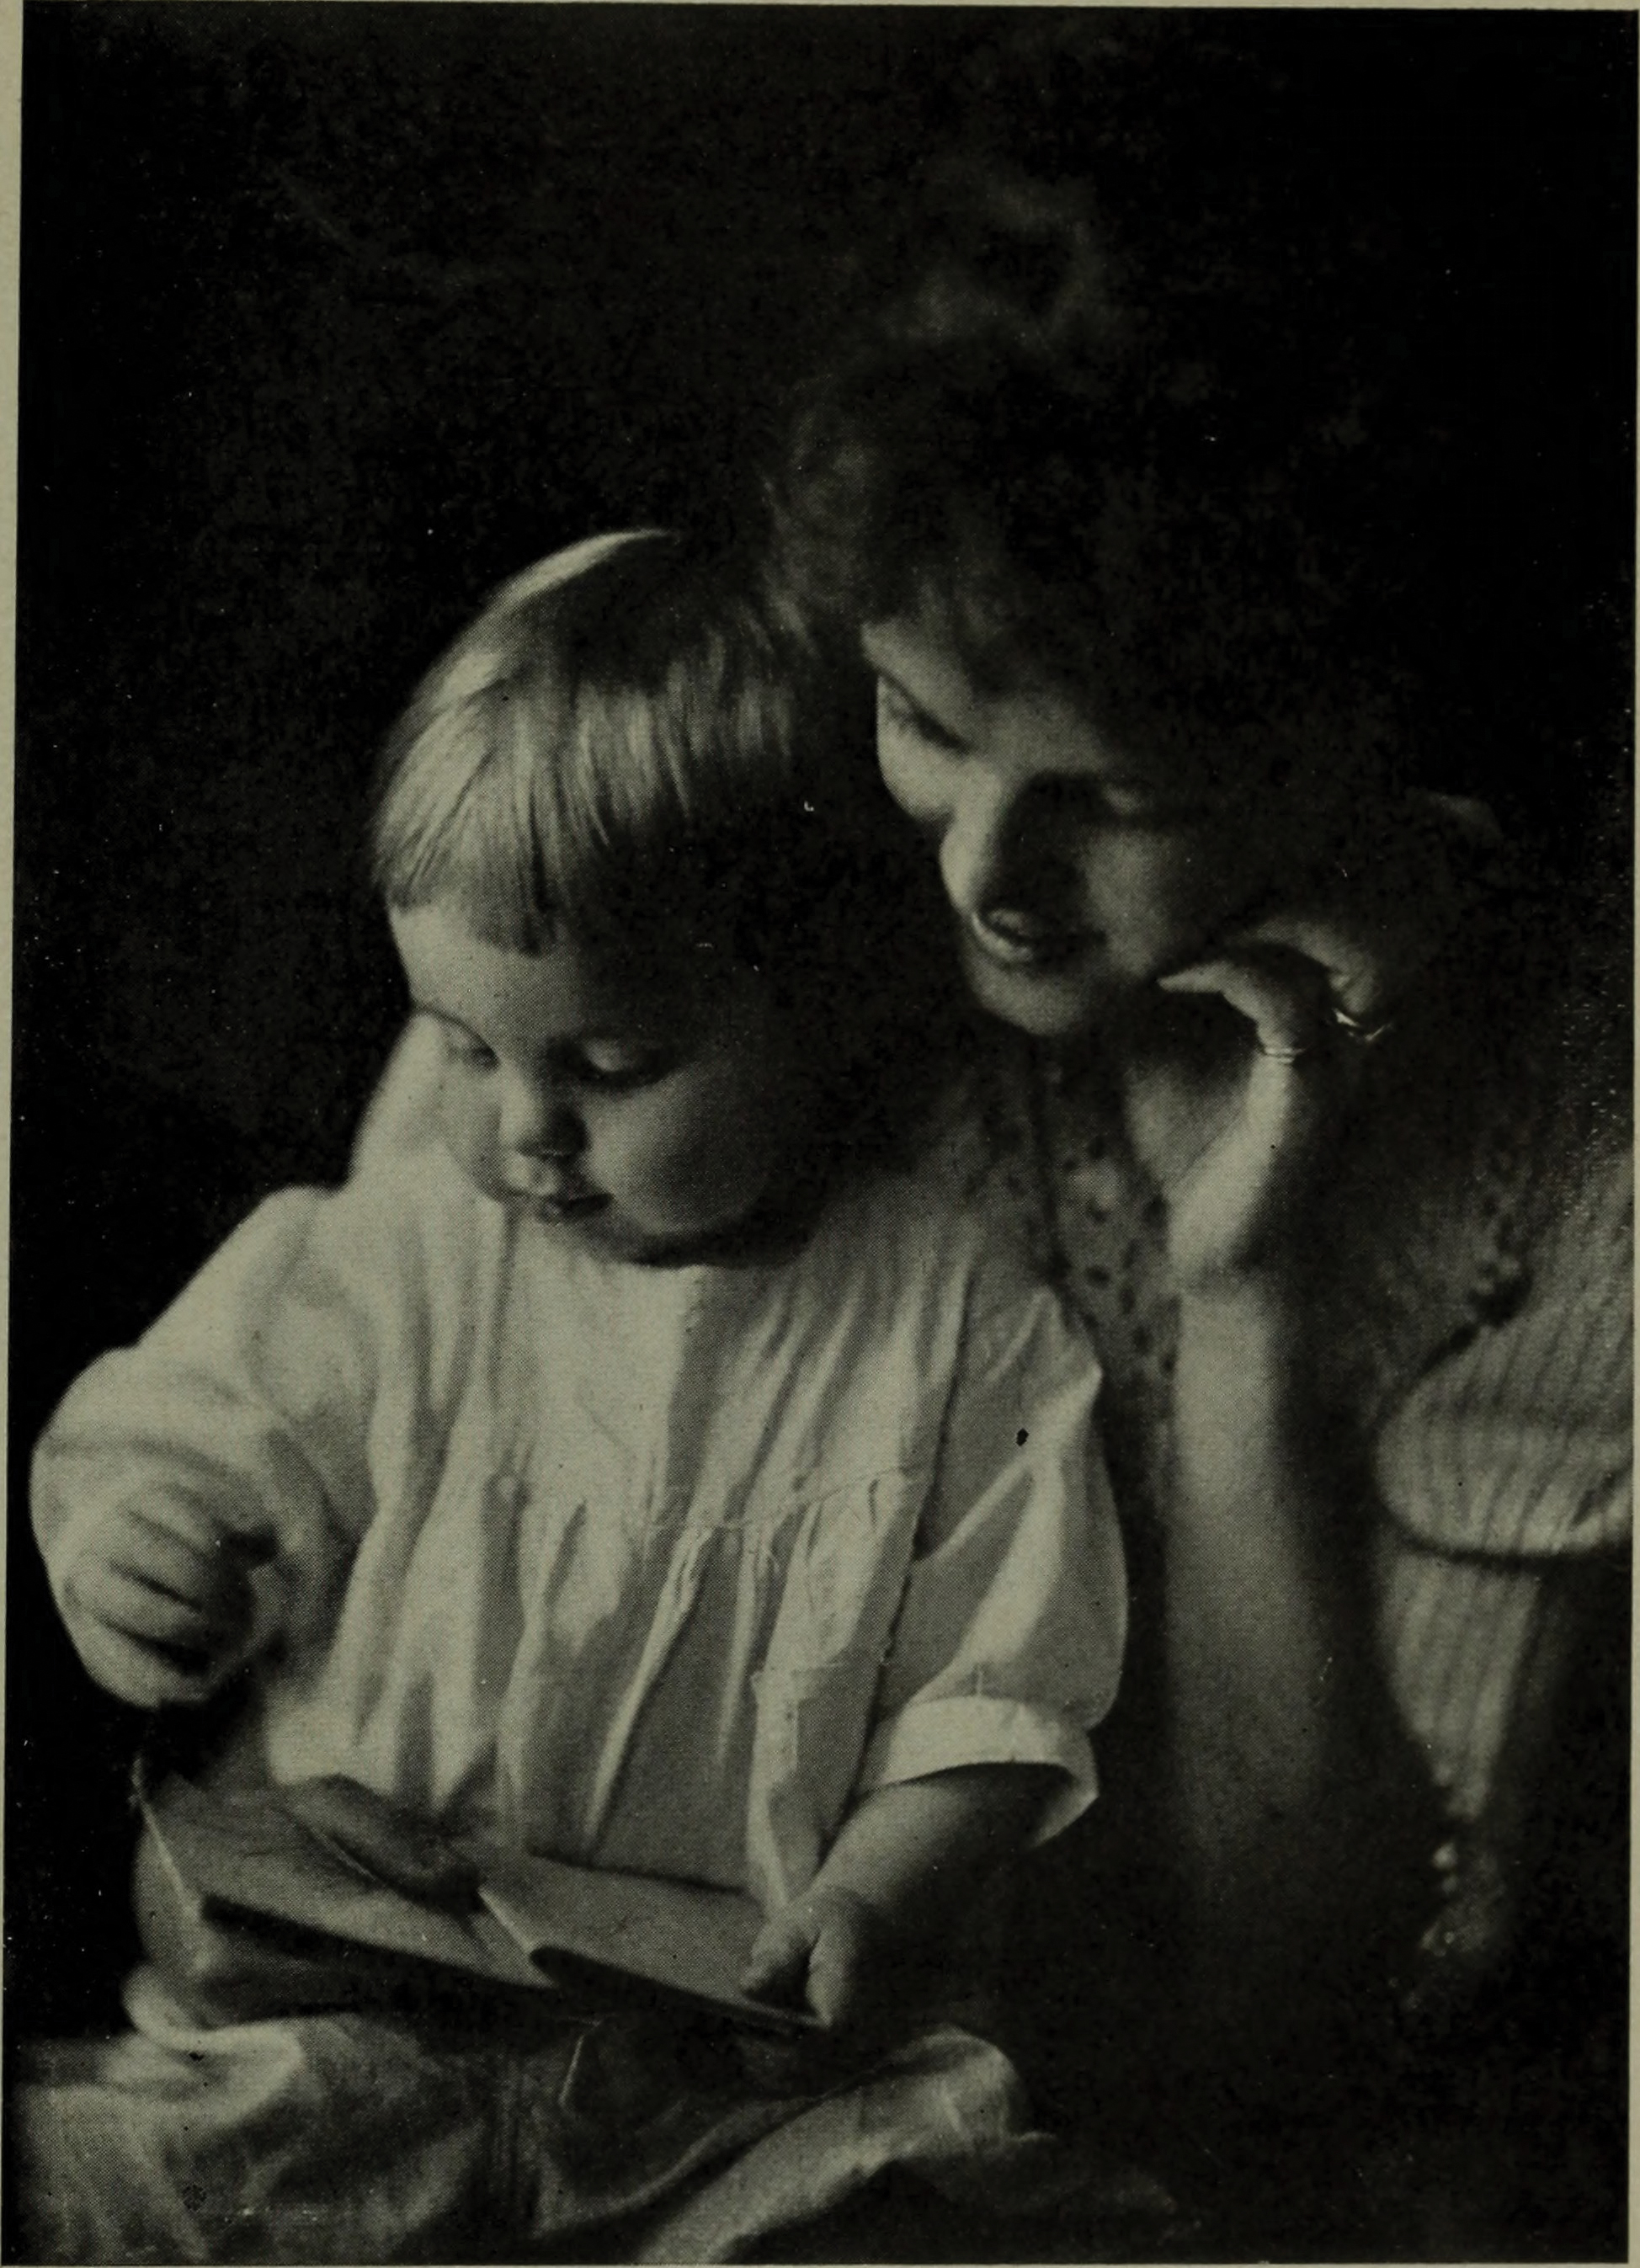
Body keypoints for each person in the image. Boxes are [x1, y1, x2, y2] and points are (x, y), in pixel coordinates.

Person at [15, 530, 1128, 2265]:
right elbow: (174, 1446)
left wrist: (875, 1887)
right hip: (343, 2030)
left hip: (720, 2090)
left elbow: (995, 1692)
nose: (519, 1130)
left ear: (819, 1008)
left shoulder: (954, 1329)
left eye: (607, 1068)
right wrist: (132, 1561)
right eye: (459, 1047)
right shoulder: (391, 1259)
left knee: (924, 2218)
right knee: (103, 2195)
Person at [769, 43, 1631, 2253]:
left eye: (1116, 792)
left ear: (1367, 721)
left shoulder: (1578, 1158)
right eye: (927, 728)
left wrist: (1241, 1308)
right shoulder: (830, 919)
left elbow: (1304, 2015)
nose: (984, 870)